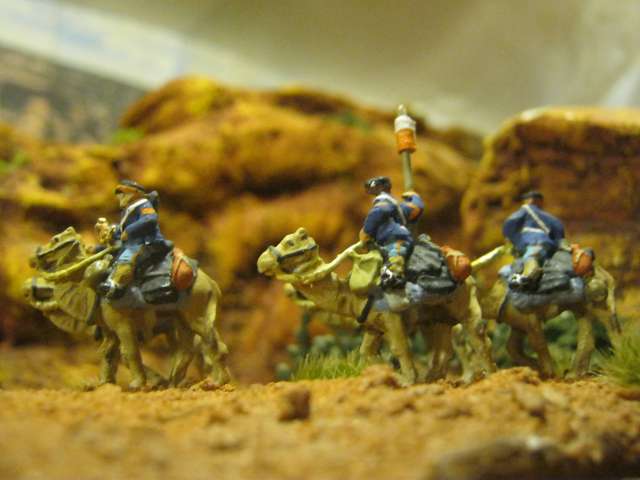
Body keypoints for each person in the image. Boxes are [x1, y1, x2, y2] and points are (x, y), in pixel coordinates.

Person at [99, 180, 167, 299]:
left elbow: (150, 219)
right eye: (120, 194)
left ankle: (116, 286)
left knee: (127, 258)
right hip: (132, 242)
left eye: (123, 194)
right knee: (108, 253)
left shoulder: (145, 205)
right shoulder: (128, 210)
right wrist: (111, 232)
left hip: (146, 241)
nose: (120, 197)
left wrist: (129, 231)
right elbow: (122, 229)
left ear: (135, 193)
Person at [359, 176, 424, 287]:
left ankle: (394, 281)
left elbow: (377, 214)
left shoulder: (382, 204)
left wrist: (365, 232)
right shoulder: (398, 207)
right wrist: (415, 198)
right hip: (392, 241)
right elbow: (415, 209)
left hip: (394, 240)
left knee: (394, 261)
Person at [502, 190, 565, 288]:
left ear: (530, 200)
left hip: (534, 242)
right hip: (547, 244)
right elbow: (558, 227)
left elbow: (510, 223)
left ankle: (528, 276)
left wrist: (515, 240)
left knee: (531, 257)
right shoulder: (548, 216)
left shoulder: (526, 210)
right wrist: (557, 242)